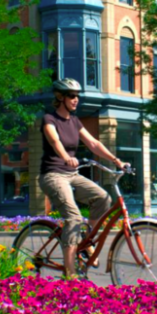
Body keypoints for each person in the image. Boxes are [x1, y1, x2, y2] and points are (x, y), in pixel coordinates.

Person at [39, 78, 125, 279]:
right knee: (74, 217)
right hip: (53, 175)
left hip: (72, 175)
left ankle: (86, 241)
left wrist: (116, 160)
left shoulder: (75, 121)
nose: (76, 99)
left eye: (77, 96)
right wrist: (66, 157)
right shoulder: (49, 119)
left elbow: (94, 143)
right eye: (71, 96)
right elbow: (54, 140)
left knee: (103, 198)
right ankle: (70, 274)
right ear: (60, 97)